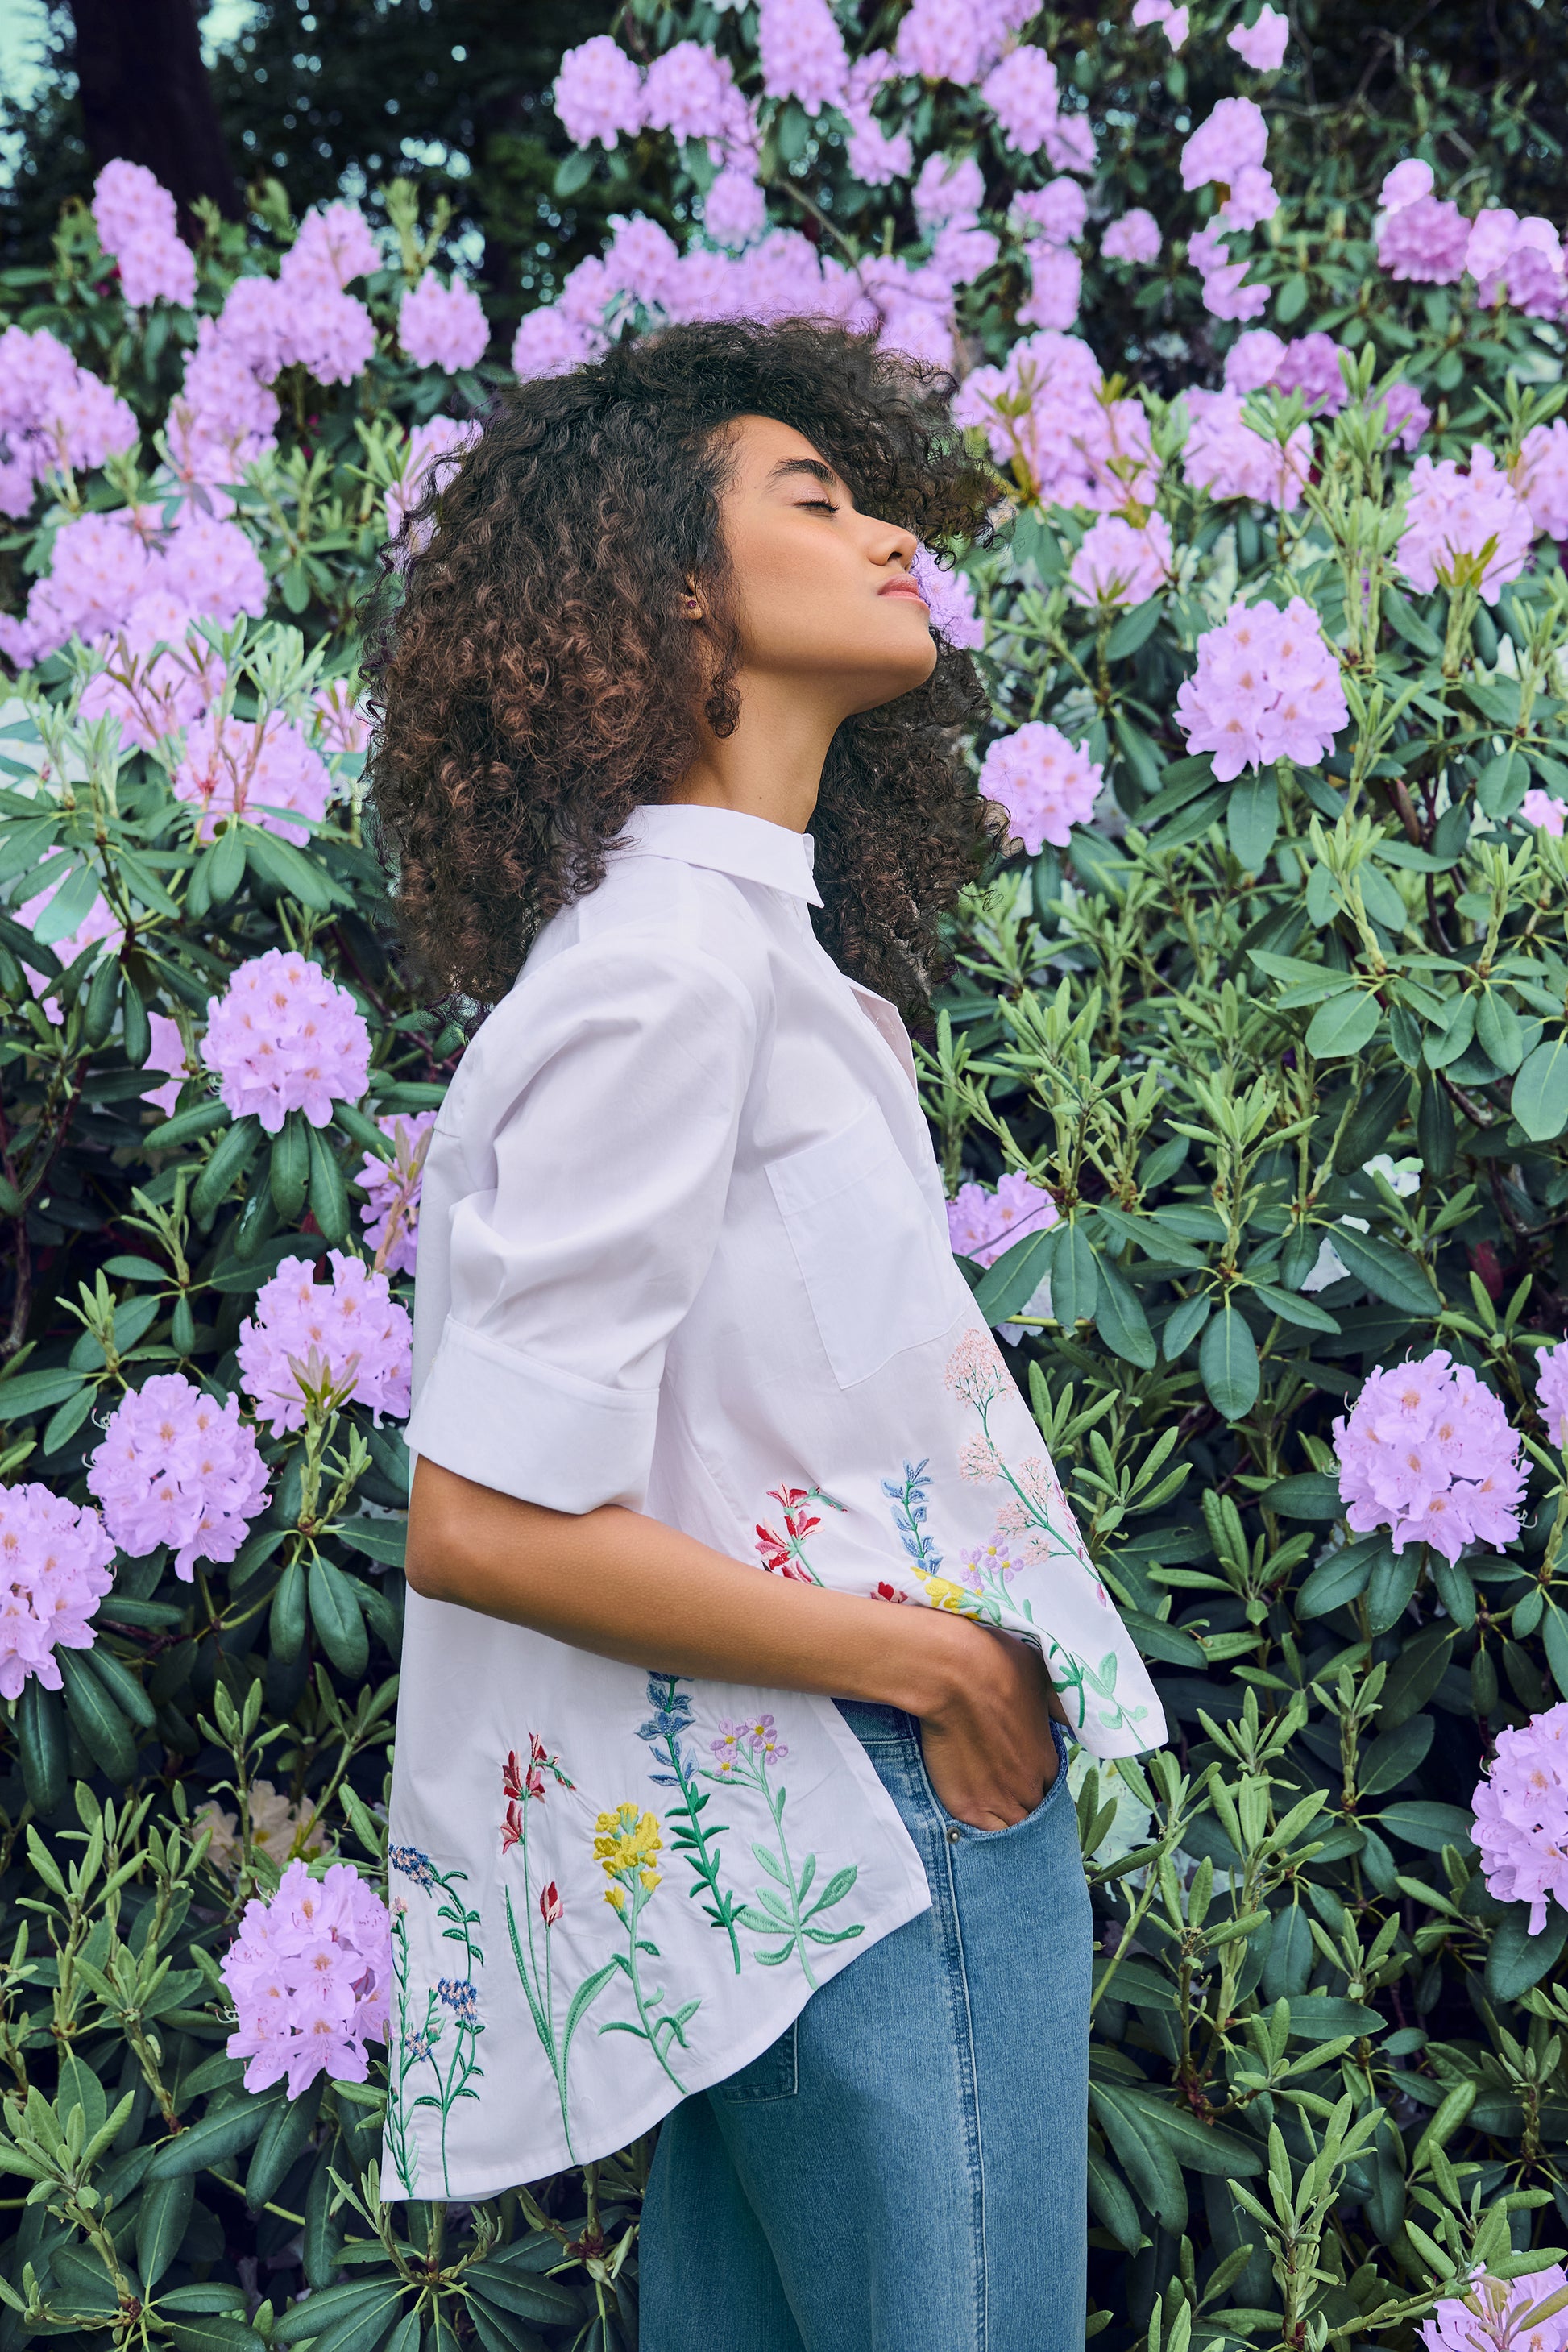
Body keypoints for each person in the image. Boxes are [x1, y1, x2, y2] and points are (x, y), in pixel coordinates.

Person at [364, 316, 1164, 2352]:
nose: (889, 534)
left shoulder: (717, 952)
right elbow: (481, 1520)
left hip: (780, 1837)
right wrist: (942, 1666)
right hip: (865, 1804)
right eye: (814, 498)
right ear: (676, 594)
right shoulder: (673, 972)